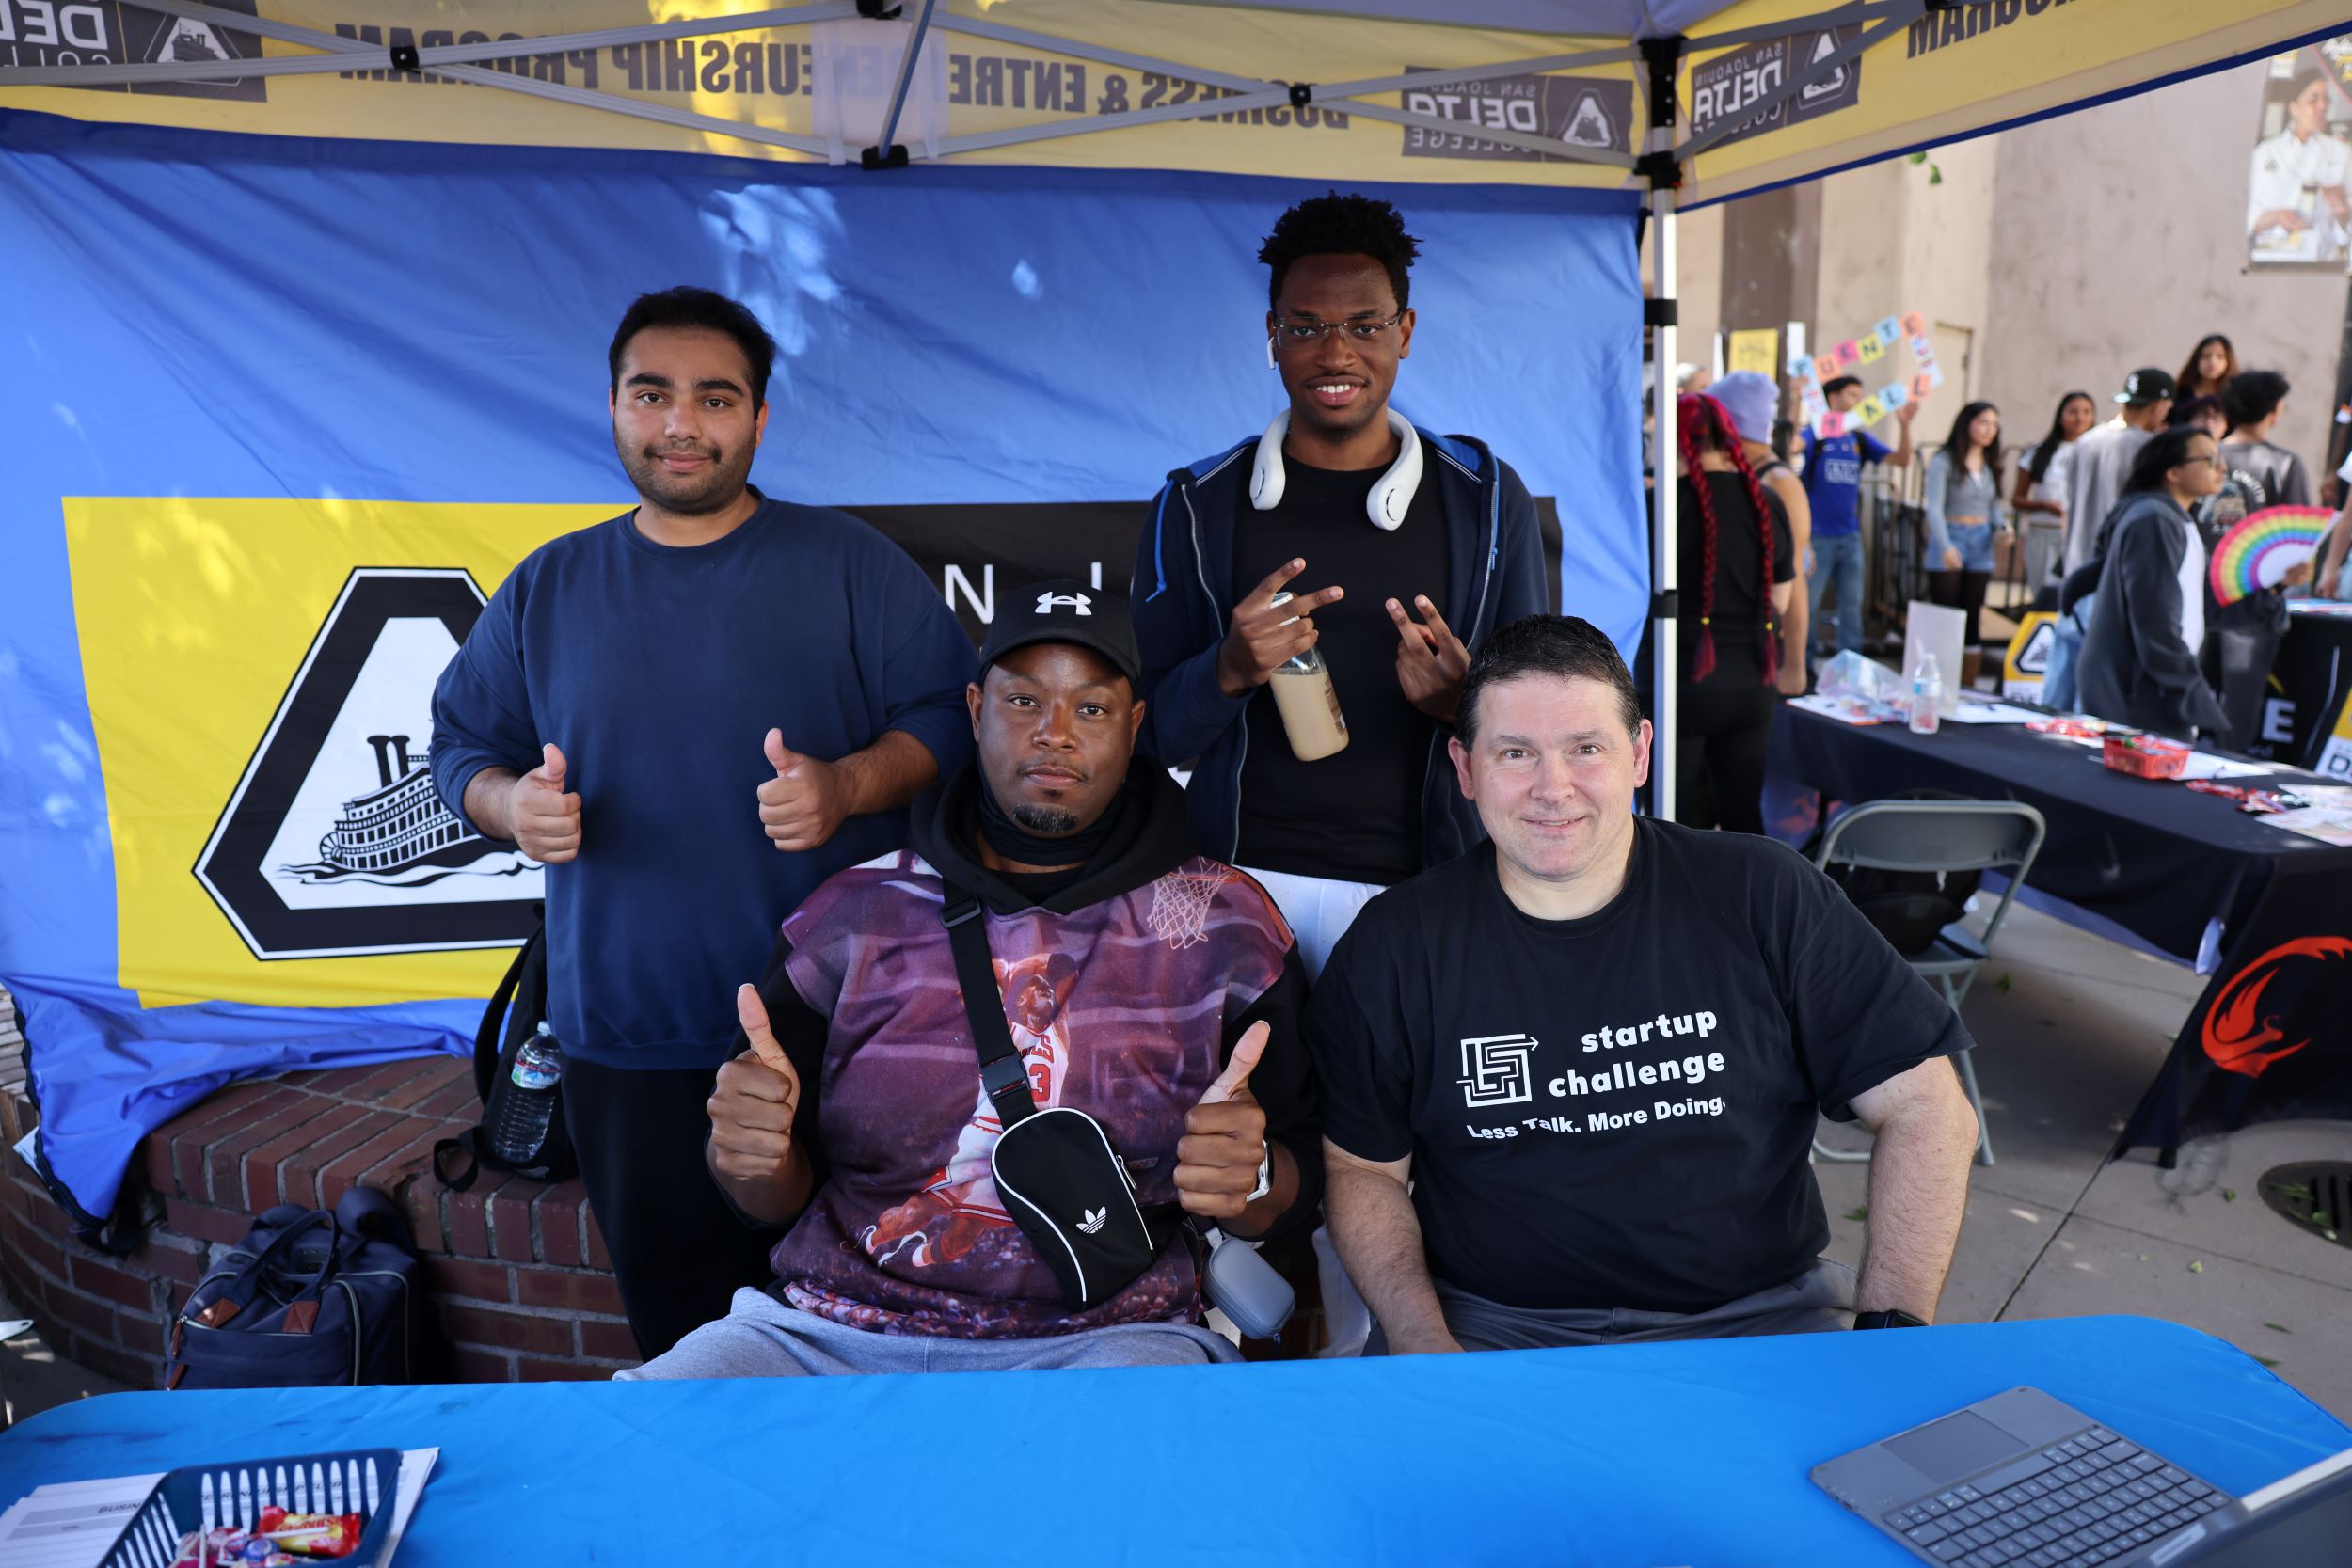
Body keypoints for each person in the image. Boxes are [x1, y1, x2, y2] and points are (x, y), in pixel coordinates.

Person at [429, 287, 978, 1358]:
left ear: (759, 419)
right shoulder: (550, 584)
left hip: (847, 1027)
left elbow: (950, 721)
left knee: (870, 1340)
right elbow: (460, 746)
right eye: (653, 394)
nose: (681, 423)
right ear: (613, 407)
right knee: (688, 1350)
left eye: (715, 398)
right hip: (626, 1036)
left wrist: (848, 784)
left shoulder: (850, 563)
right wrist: (510, 804)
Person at [626, 585, 1322, 1379]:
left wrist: (1251, 1175)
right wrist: (748, 1159)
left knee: (1148, 1448)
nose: (1055, 732)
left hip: (1108, 1341)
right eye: (1024, 700)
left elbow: (1297, 1174)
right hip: (832, 1332)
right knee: (651, 1422)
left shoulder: (1223, 922)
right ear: (975, 707)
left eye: (1091, 708)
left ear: (1134, 725)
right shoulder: (853, 914)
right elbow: (770, 1196)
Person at [1309, 615, 1979, 1354]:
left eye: (1585, 748)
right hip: (1495, 1327)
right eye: (1516, 752)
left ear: (1639, 753)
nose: (1552, 788)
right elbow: (1363, 1169)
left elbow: (1927, 1106)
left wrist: (1889, 1343)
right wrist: (1424, 1344)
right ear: (1466, 769)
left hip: (1758, 1319)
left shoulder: (1763, 893)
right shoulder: (1395, 944)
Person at [1131, 191, 1547, 978]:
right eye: (1306, 327)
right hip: (1236, 890)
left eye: (1364, 325)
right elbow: (1149, 736)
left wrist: (1463, 704)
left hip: (1428, 892)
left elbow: (1542, 721)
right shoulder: (1195, 504)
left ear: (1405, 331)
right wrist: (1227, 669)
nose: (1335, 354)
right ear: (1272, 334)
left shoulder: (1486, 500)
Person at [1671, 392, 1794, 835]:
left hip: (1679, 679)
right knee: (1743, 817)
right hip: (1753, 680)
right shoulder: (1766, 502)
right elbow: (1780, 600)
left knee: (1673, 824)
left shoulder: (1661, 505)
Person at [2074, 427, 2231, 741]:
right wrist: (2190, 693)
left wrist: (2275, 588)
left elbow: (2200, 602)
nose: (2222, 468)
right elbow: (2155, 621)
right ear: (2173, 472)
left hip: (2148, 687)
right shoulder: (2155, 519)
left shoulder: (2170, 516)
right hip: (2140, 693)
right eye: (2210, 459)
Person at [2045, 368, 2175, 710]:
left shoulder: (2085, 441)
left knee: (2061, 675)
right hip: (2110, 577)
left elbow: (2068, 508)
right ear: (2159, 405)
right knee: (2094, 683)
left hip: (2075, 569)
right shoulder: (2149, 450)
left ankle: (2041, 732)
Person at [2210, 370, 2315, 749]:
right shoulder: (2284, 463)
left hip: (2199, 592)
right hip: (2254, 599)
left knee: (2187, 700)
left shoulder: (2205, 454)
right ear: (2274, 409)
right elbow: (2299, 541)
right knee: (2240, 708)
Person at [1710, 371, 1813, 694]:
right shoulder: (1741, 475)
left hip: (1766, 647)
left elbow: (1795, 580)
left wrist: (1794, 667)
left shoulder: (1778, 482)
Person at [1802, 374, 1917, 658]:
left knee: (1852, 604)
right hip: (1817, 536)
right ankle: (1804, 663)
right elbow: (1790, 447)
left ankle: (1850, 663)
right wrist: (1796, 399)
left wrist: (1904, 426)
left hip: (1850, 535)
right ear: (1833, 398)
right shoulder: (1815, 435)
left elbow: (1902, 460)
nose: (1859, 401)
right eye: (1853, 394)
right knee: (1808, 603)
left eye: (1860, 395)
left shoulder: (1859, 438)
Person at [1922, 401, 2008, 682]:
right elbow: (1934, 507)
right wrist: (1945, 545)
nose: (1989, 430)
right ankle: (1939, 678)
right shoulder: (1944, 460)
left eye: (1994, 425)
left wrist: (2002, 528)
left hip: (1981, 539)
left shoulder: (1990, 463)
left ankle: (1967, 681)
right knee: (1947, 613)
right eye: (1983, 423)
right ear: (1967, 423)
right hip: (1952, 533)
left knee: (1973, 613)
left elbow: (1993, 506)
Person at [2248, 70, 2349, 266]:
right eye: (2313, 99)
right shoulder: (2265, 153)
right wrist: (2278, 217)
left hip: (2321, 264)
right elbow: (2247, 219)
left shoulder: (2341, 153)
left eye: (2326, 99)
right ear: (2294, 108)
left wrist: (2342, 211)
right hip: (2271, 263)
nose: (2323, 106)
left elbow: (2345, 231)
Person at [2010, 389, 2095, 606]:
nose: (2080, 418)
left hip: (2080, 535)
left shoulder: (2097, 451)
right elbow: (2018, 498)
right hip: (2045, 532)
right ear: (2060, 416)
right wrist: (2044, 506)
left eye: (2086, 412)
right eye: (2073, 412)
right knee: (2045, 596)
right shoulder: (2039, 452)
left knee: (2075, 598)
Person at [2169, 333, 2238, 420]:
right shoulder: (2180, 392)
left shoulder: (2234, 396)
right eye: (2206, 356)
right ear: (2196, 360)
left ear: (2228, 362)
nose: (2212, 362)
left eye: (2220, 357)